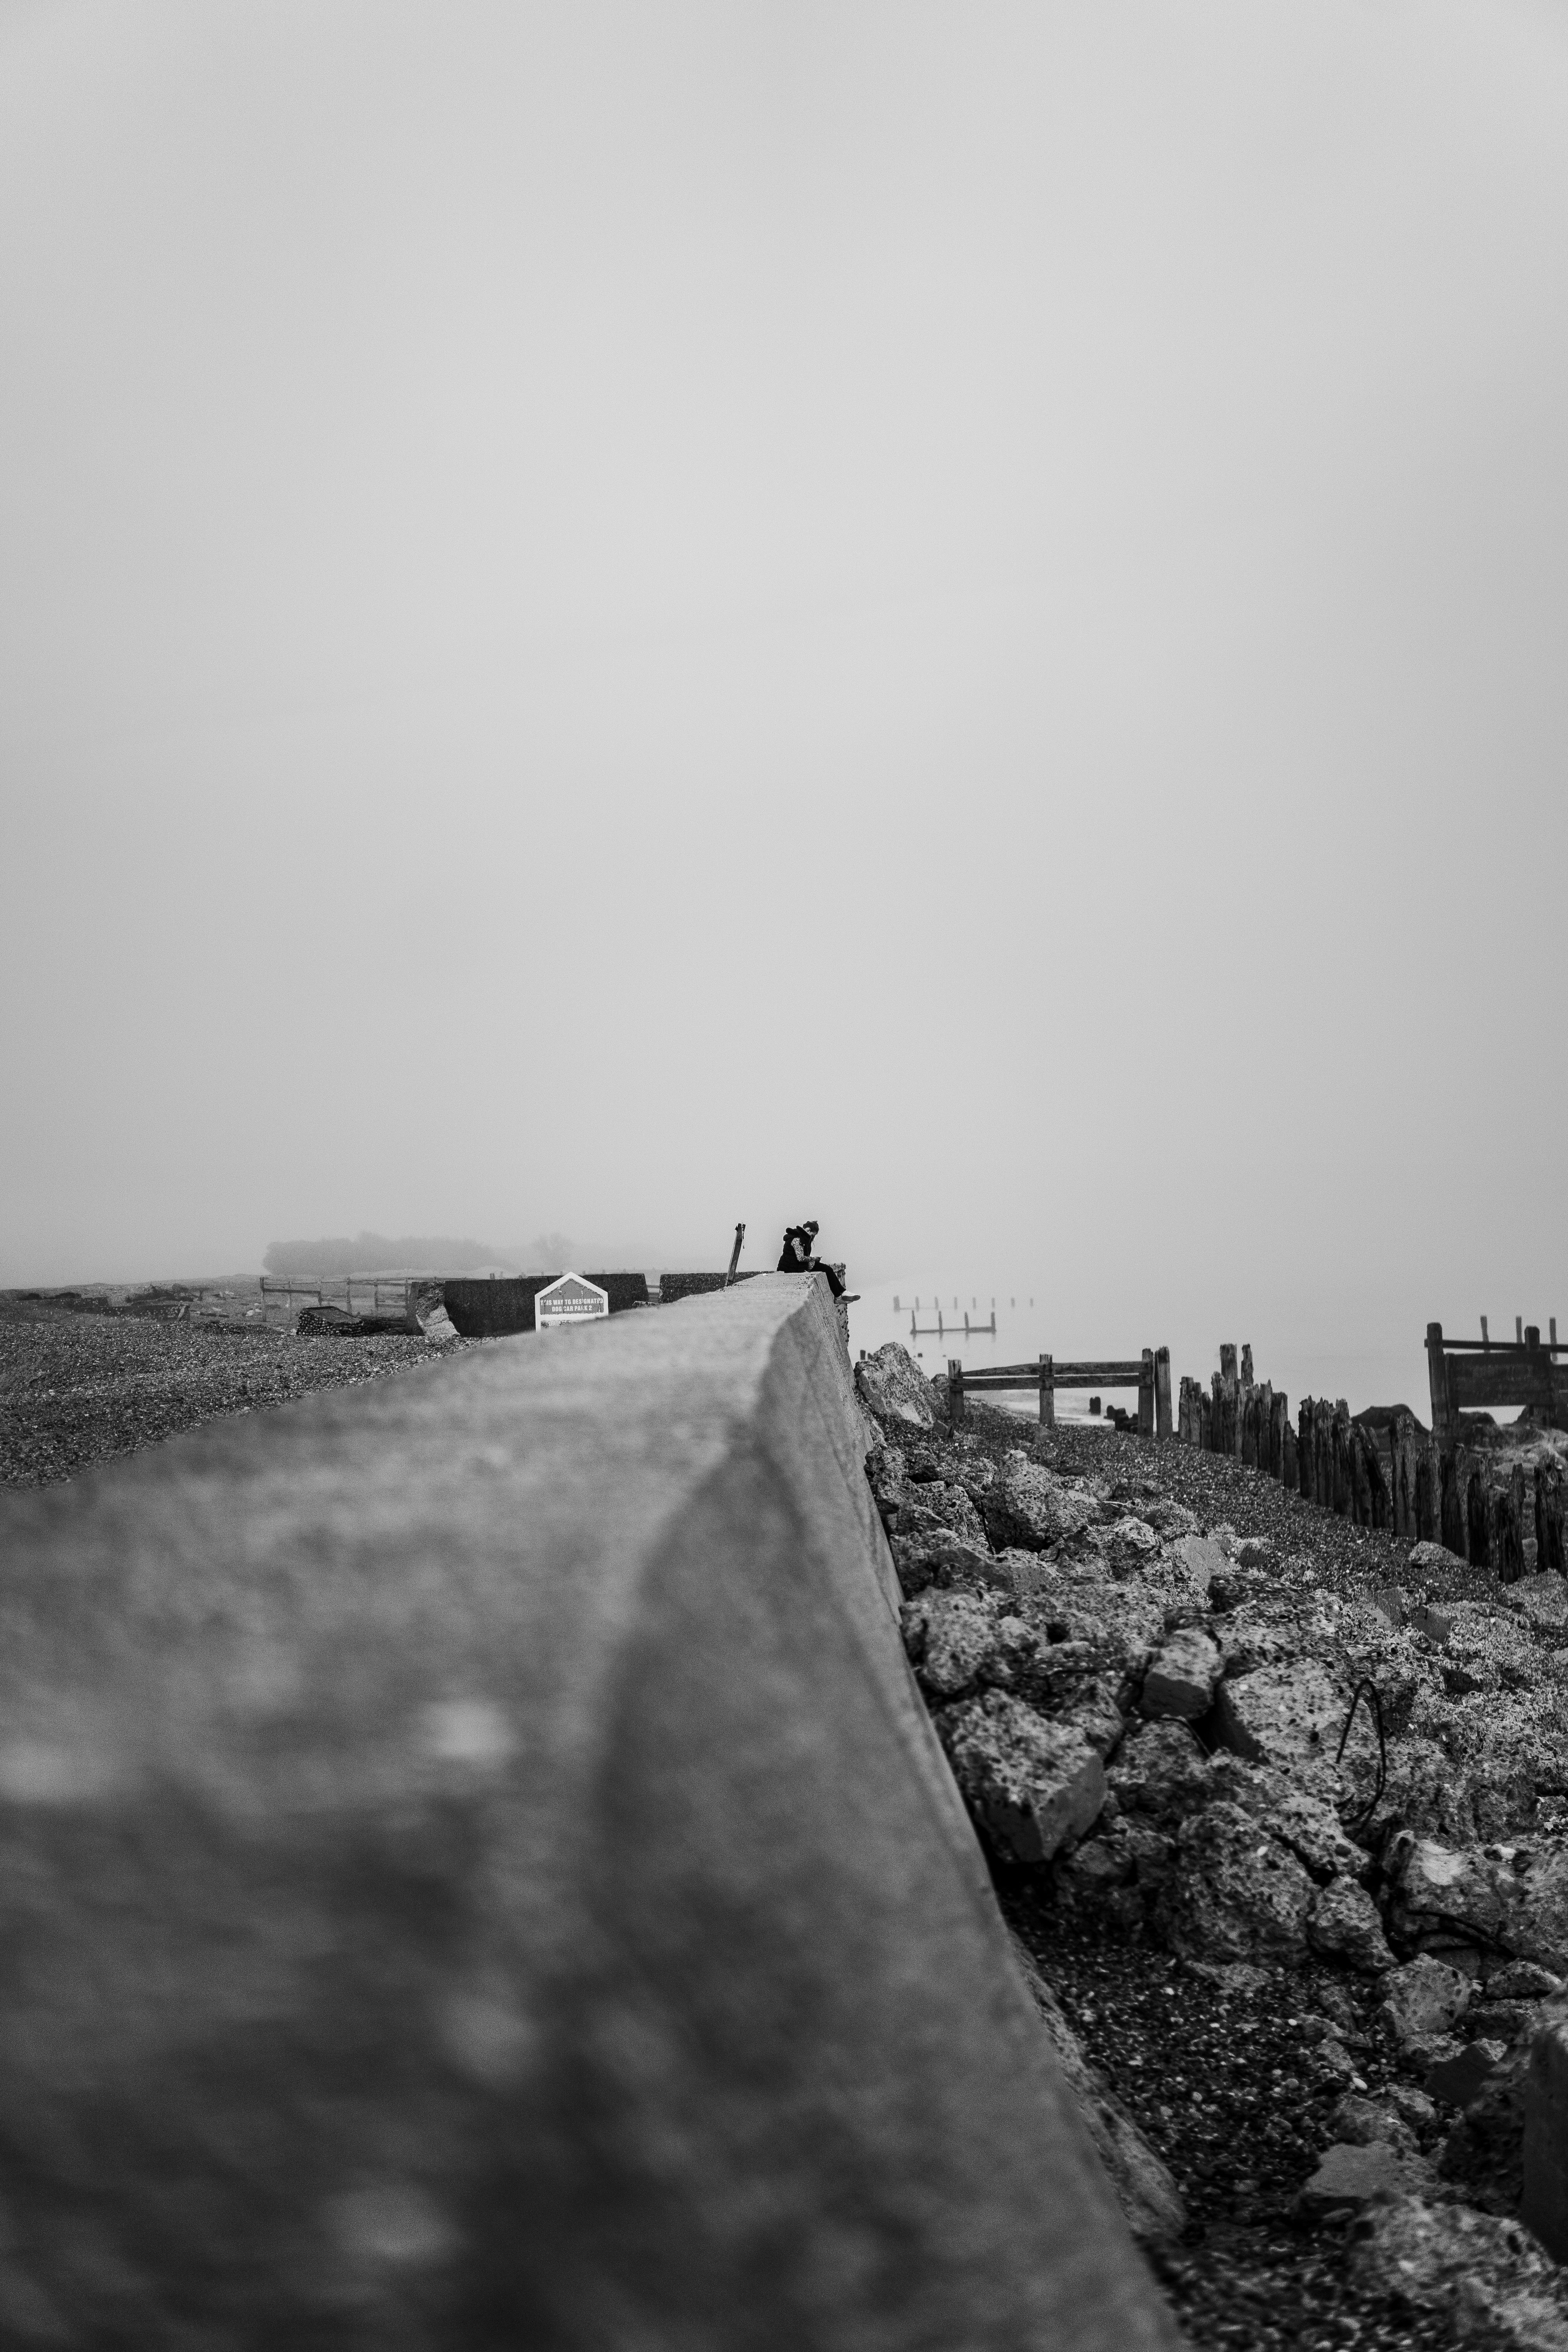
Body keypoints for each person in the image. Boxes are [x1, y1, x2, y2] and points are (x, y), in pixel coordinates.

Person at [777, 1220, 846, 1299]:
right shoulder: (798, 1239)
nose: (812, 1237)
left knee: (828, 1270)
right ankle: (839, 1296)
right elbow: (801, 1258)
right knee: (827, 1270)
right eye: (812, 1235)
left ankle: (841, 1293)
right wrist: (814, 1259)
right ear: (808, 1230)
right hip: (793, 1268)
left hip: (795, 1266)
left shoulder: (800, 1237)